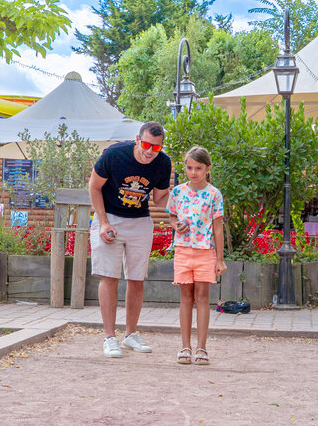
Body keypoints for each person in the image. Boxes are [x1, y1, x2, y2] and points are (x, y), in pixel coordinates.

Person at [88, 121, 172, 358]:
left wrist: (178, 212)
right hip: (110, 217)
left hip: (139, 220)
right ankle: (109, 337)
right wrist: (103, 222)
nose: (149, 151)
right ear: (137, 139)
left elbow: (160, 198)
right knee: (109, 277)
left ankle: (130, 335)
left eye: (155, 147)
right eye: (146, 144)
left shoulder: (163, 163)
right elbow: (94, 188)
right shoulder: (114, 155)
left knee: (137, 278)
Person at [165, 146, 226, 365]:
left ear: (207, 168)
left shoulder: (214, 194)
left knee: (202, 297)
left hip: (205, 251)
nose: (193, 172)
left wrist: (219, 259)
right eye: (189, 167)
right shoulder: (178, 192)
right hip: (182, 250)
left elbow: (218, 227)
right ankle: (184, 346)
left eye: (198, 168)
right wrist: (176, 225)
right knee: (185, 297)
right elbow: (172, 216)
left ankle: (201, 347)